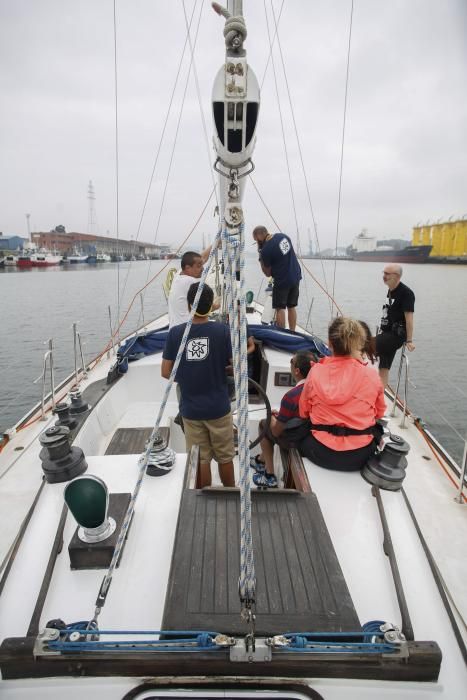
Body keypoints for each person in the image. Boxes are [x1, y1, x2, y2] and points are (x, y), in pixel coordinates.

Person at [162, 282, 235, 488]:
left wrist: (188, 375)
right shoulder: (223, 332)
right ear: (211, 305)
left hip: (191, 410)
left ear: (188, 305)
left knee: (201, 459)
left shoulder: (176, 334)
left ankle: (204, 497)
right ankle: (230, 492)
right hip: (219, 408)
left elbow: (166, 371)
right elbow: (234, 366)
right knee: (226, 457)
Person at [298, 317, 386, 471]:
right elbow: (379, 413)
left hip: (318, 450)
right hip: (359, 456)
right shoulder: (372, 376)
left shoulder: (316, 371)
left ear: (330, 344)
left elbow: (303, 412)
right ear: (357, 344)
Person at [251, 351, 316, 487]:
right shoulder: (320, 389)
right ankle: (261, 459)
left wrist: (274, 418)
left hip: (295, 440)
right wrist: (281, 416)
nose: (290, 363)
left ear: (297, 371)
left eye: (291, 361)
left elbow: (276, 431)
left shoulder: (291, 396)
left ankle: (269, 475)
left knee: (265, 424)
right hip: (311, 436)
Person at [252, 225, 302, 331]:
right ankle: (292, 332)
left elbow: (267, 273)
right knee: (291, 306)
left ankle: (282, 334)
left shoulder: (265, 250)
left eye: (256, 240)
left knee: (280, 309)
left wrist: (261, 258)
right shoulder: (284, 237)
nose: (256, 242)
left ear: (259, 236)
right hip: (295, 276)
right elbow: (284, 254)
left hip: (282, 281)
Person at [375, 264, 415, 387]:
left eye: (387, 274)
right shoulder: (391, 289)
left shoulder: (406, 293)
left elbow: (409, 318)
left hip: (396, 335)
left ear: (396, 276)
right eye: (384, 273)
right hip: (386, 333)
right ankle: (380, 400)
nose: (384, 276)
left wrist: (409, 340)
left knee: (362, 346)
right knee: (384, 367)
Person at [168, 246, 215, 328]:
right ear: (188, 268)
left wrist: (215, 244)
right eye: (199, 266)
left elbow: (202, 258)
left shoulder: (179, 274)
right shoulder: (191, 282)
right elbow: (206, 308)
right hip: (186, 331)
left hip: (173, 329)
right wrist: (219, 304)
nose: (203, 268)